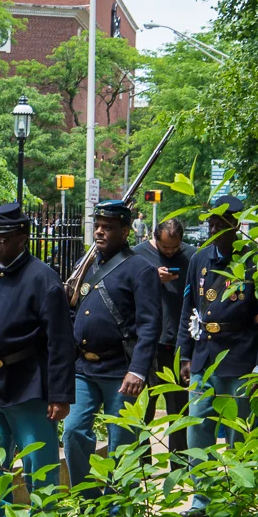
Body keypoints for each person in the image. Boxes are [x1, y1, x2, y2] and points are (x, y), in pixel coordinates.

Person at [0, 202, 73, 517]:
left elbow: (60, 341)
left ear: (22, 238)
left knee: (38, 466)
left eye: (2, 237)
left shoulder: (43, 278)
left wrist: (60, 395)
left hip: (30, 383)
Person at [177, 193, 258, 517]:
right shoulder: (198, 260)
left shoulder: (256, 263)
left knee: (238, 430)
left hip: (241, 356)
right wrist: (184, 356)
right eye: (210, 222)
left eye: (220, 223)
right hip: (204, 355)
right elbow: (187, 310)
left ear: (236, 224)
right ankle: (202, 499)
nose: (213, 228)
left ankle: (237, 498)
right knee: (198, 426)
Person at [63, 199, 161, 489]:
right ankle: (88, 500)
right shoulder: (86, 264)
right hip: (84, 367)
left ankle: (121, 509)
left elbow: (149, 324)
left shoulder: (140, 269)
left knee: (122, 442)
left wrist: (139, 370)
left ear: (125, 231)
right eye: (98, 226)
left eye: (108, 227)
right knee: (73, 431)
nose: (99, 232)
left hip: (121, 369)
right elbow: (71, 307)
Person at [133, 218, 192, 463]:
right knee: (142, 409)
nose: (169, 252)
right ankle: (141, 465)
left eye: (174, 248)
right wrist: (150, 278)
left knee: (178, 410)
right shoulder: (138, 256)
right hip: (146, 345)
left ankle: (178, 464)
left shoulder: (191, 257)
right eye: (165, 248)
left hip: (176, 343)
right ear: (155, 239)